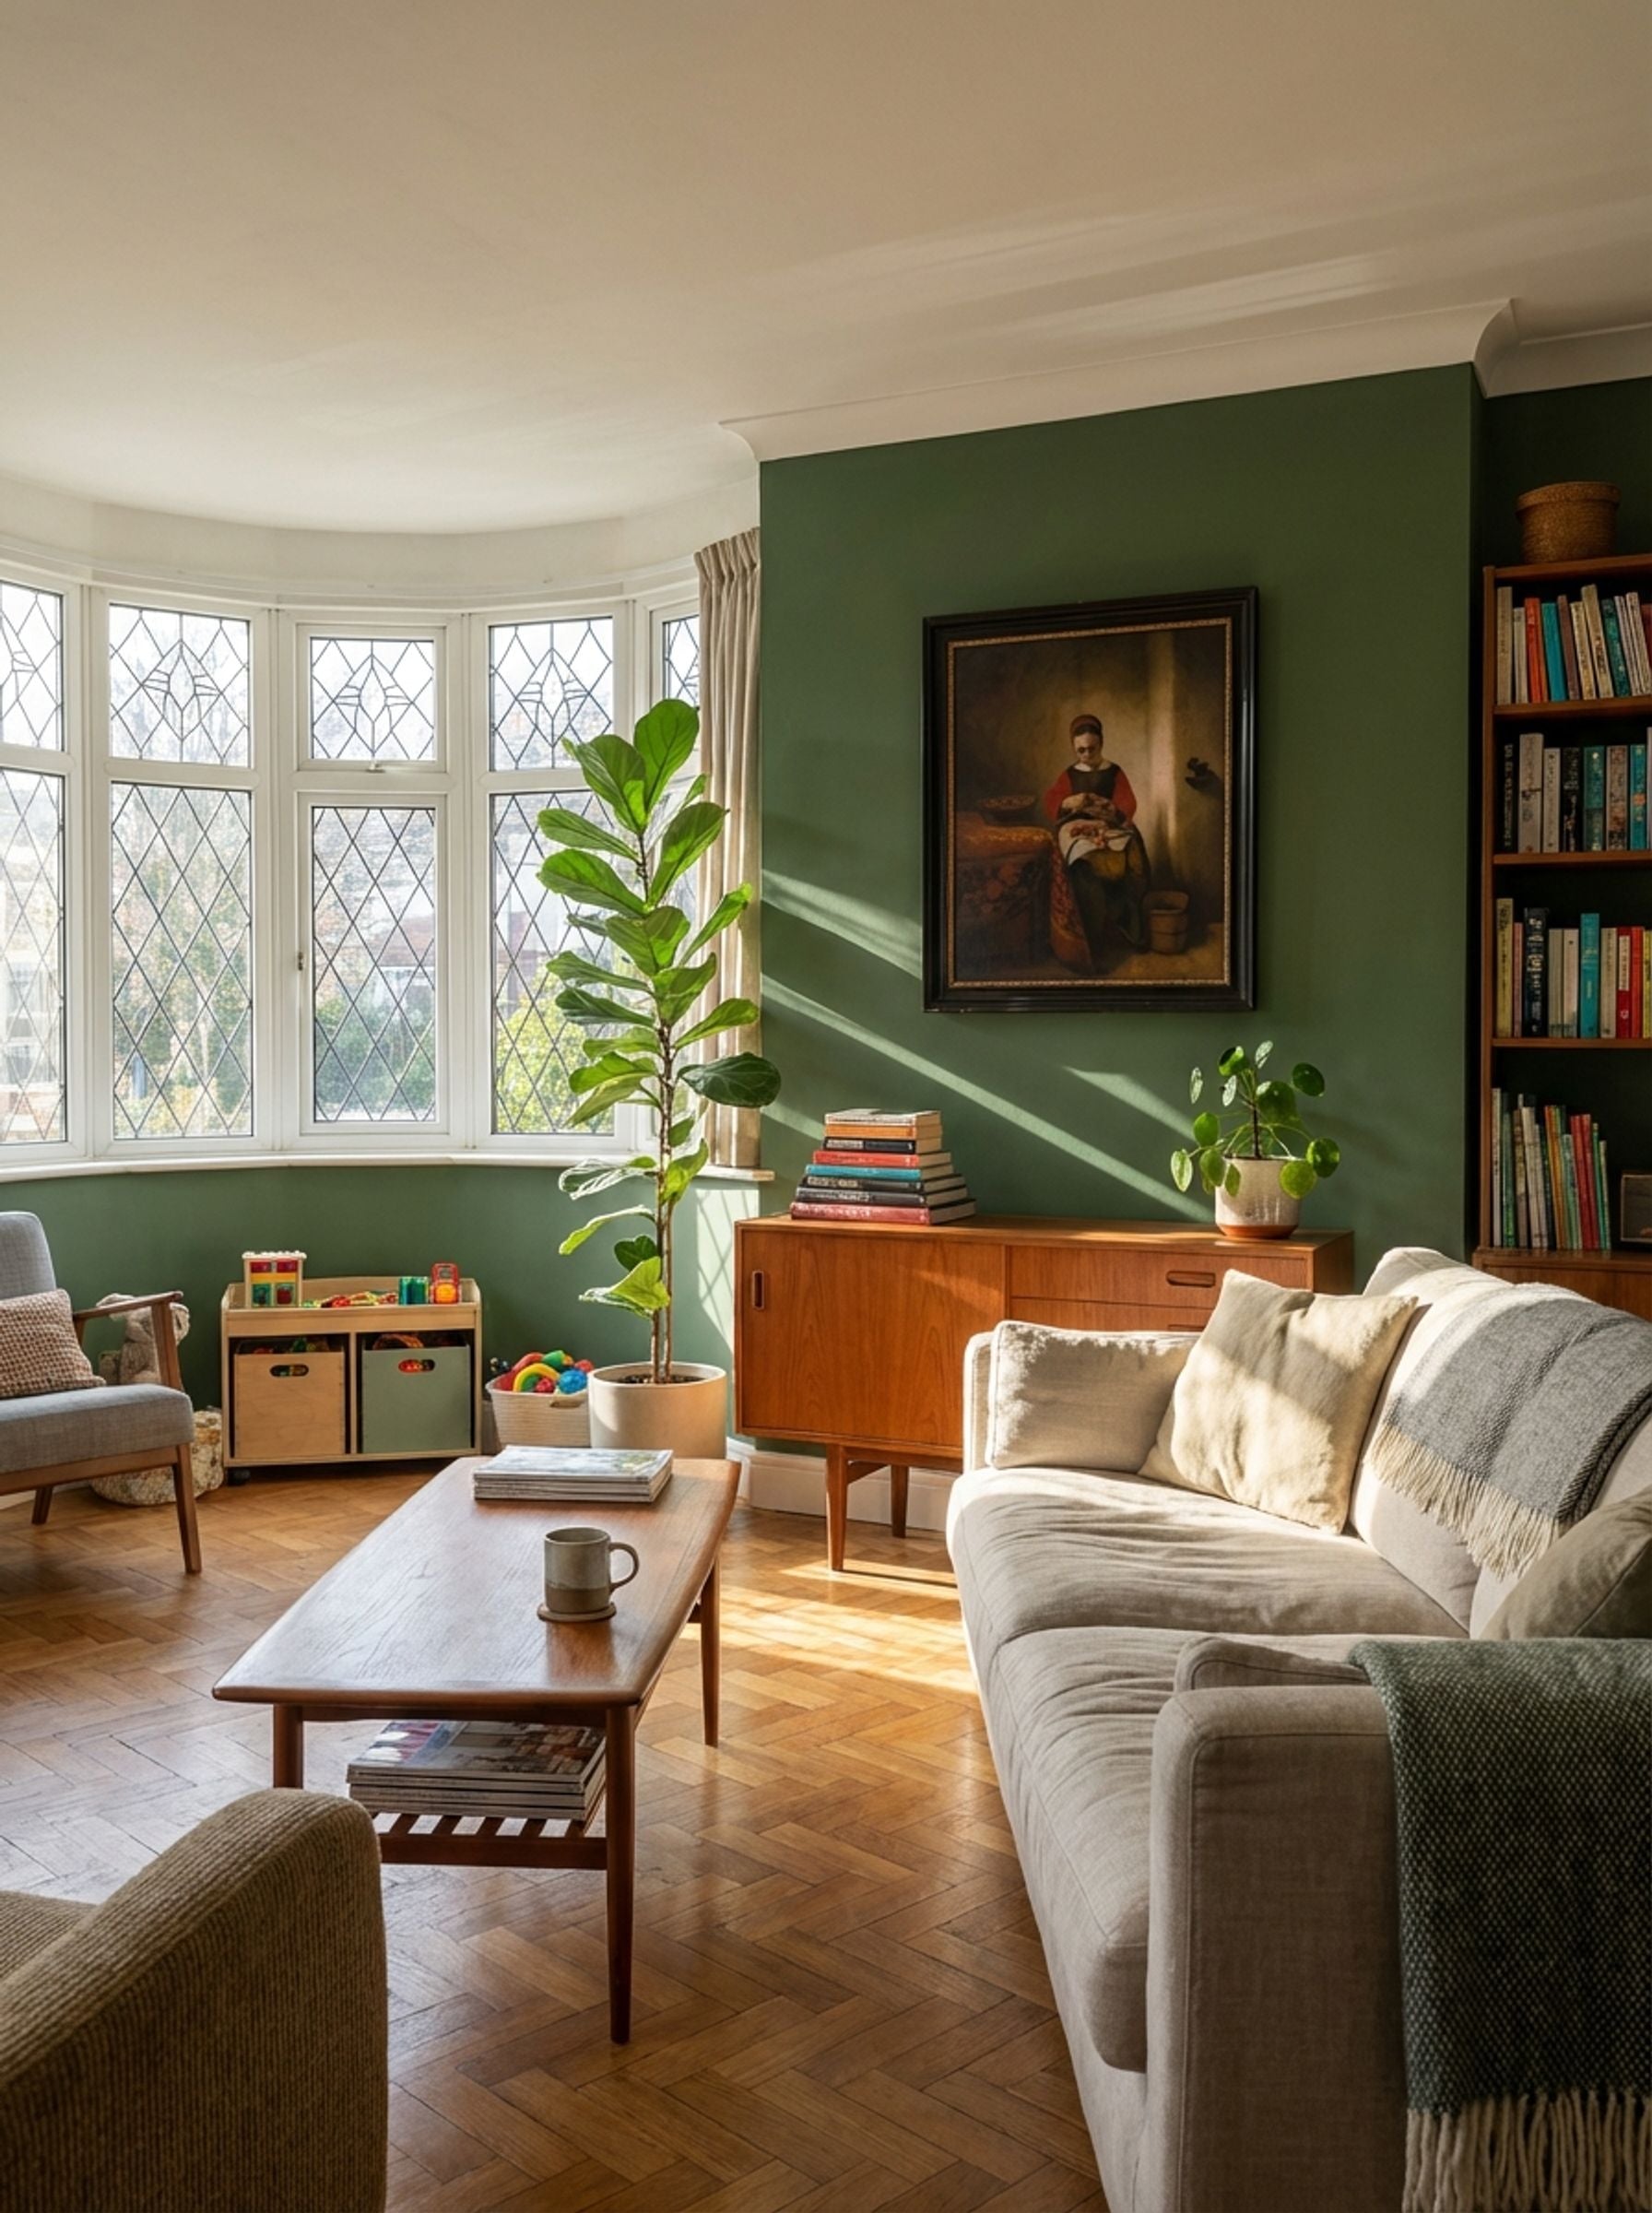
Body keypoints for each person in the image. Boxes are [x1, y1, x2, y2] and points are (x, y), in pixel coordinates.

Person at [1041, 713, 1149, 962]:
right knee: (1081, 865)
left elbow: (1128, 803)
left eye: (1092, 749)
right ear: (1074, 748)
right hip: (1077, 828)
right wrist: (1069, 801)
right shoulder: (1070, 774)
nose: (1087, 755)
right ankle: (1091, 938)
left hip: (1109, 825)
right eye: (1081, 751)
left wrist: (1110, 808)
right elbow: (1052, 801)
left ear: (1101, 744)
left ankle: (1130, 930)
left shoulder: (1114, 771)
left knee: (1132, 853)